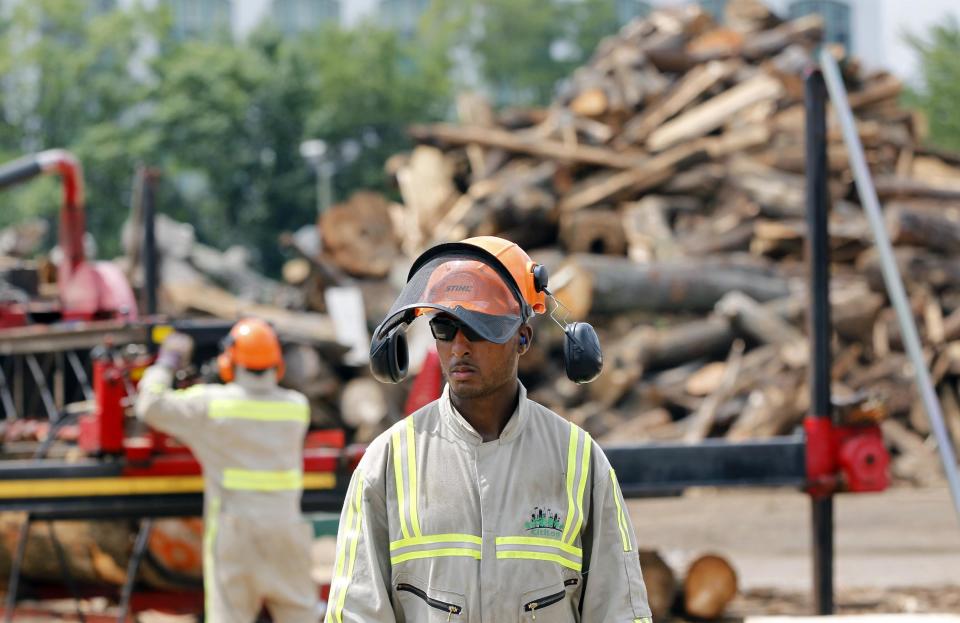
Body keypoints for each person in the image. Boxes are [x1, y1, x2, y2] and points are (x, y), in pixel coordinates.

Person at [326, 236, 652, 622]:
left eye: (479, 328)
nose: (460, 346)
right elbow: (356, 613)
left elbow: (619, 608)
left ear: (523, 339)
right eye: (445, 328)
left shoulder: (578, 459)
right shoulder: (388, 462)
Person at [136, 318, 318, 623]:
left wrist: (167, 361)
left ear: (228, 364)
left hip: (235, 535)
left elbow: (149, 405)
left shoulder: (211, 405)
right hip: (287, 532)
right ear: (278, 366)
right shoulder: (297, 408)